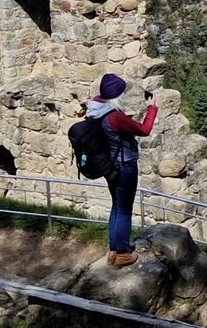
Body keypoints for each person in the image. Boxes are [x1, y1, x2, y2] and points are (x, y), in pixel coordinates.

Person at [84, 73, 158, 268]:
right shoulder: (115, 117)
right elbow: (144, 130)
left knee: (116, 205)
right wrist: (152, 108)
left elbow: (111, 129)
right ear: (117, 96)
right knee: (124, 209)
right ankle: (123, 254)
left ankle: (114, 250)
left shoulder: (95, 109)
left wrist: (125, 119)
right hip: (124, 167)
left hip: (109, 166)